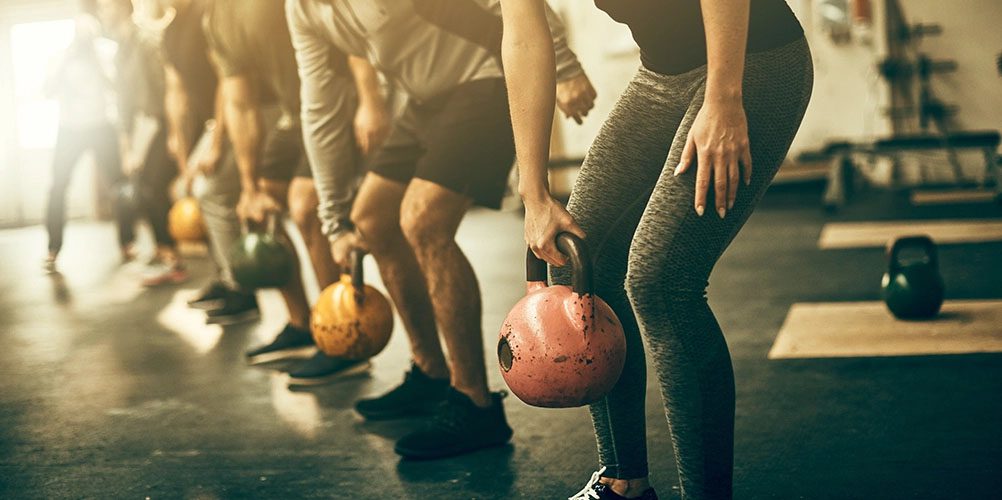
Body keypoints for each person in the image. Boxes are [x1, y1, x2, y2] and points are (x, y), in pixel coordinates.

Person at [499, 1, 813, 498]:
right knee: (583, 261)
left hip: (754, 59)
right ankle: (624, 482)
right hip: (662, 77)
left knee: (661, 282)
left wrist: (725, 99)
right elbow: (522, 36)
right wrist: (533, 193)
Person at [286, 0, 596, 459]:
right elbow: (320, 109)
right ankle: (431, 374)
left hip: (487, 78)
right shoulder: (301, 9)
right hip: (424, 100)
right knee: (370, 219)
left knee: (422, 219)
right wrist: (333, 220)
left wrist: (565, 65)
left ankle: (474, 404)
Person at [203, 0, 386, 384]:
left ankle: (341, 340)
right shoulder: (219, 18)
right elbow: (241, 103)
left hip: (340, 98)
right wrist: (249, 187)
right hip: (297, 112)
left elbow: (348, 34)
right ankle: (303, 323)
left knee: (306, 204)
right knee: (267, 198)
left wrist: (369, 100)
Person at [160, 0, 258, 322]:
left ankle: (241, 289)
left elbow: (225, 84)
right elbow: (176, 92)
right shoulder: (170, 30)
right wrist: (182, 148)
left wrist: (216, 143)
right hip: (206, 125)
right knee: (194, 194)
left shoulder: (207, 15)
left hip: (231, 116)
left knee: (213, 193)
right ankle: (223, 277)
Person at [96, 0, 187, 286]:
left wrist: (141, 147)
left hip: (159, 127)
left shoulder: (146, 41)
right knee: (146, 189)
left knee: (153, 188)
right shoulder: (120, 49)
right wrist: (126, 146)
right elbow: (124, 105)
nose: (101, 12)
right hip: (139, 130)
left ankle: (171, 258)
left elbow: (156, 100)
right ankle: (162, 252)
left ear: (122, 7)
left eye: (106, 6)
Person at [44, 13, 134, 273]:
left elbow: (120, 89)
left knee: (120, 186)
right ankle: (53, 248)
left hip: (101, 126)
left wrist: (98, 64)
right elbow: (48, 91)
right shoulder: (61, 56)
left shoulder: (107, 53)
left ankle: (127, 241)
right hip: (70, 128)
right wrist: (64, 65)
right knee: (58, 187)